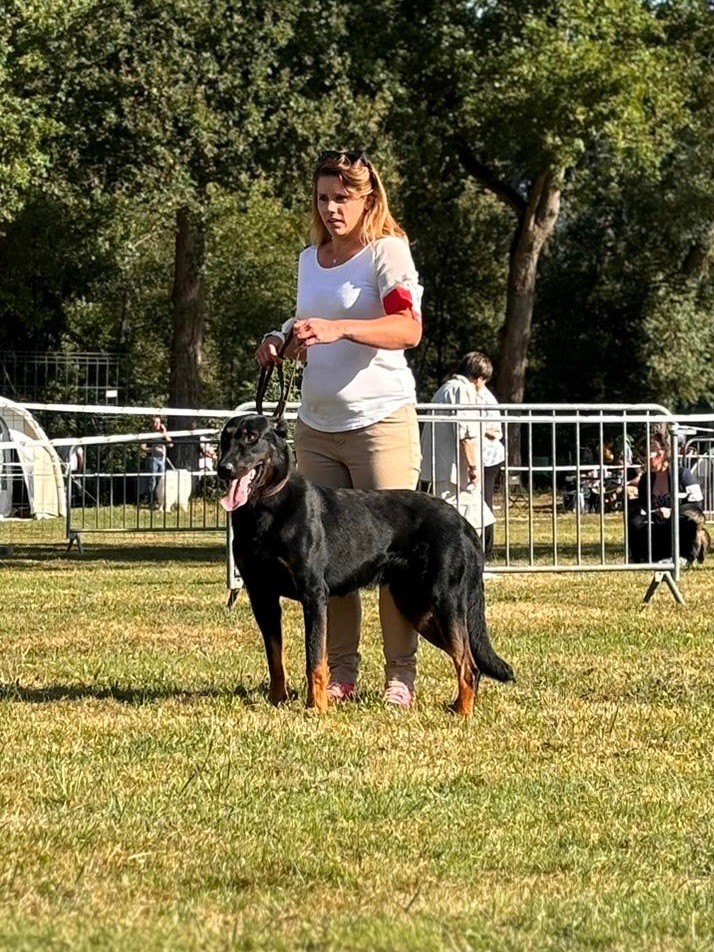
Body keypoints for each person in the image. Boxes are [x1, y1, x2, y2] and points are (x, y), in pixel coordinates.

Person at [255, 149, 423, 708]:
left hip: (379, 424)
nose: (331, 209)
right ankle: (338, 674)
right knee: (327, 561)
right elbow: (309, 316)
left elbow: (407, 328)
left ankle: (400, 675)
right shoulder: (311, 258)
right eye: (323, 198)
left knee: (391, 553)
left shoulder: (387, 252)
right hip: (315, 426)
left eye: (342, 198)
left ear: (367, 198)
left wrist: (339, 328)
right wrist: (281, 338)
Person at [419, 352, 496, 547]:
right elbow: (466, 432)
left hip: (441, 466)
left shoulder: (445, 389)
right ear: (479, 377)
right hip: (453, 470)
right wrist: (473, 467)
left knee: (460, 515)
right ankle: (467, 563)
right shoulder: (463, 390)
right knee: (465, 518)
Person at [628, 432, 704, 564]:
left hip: (679, 525)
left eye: (647, 456)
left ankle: (683, 557)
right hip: (656, 524)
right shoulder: (646, 479)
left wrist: (672, 512)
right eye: (641, 457)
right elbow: (642, 505)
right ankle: (640, 557)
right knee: (635, 519)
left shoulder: (684, 475)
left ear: (661, 452)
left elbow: (697, 507)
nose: (644, 461)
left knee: (684, 520)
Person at [141, 415, 173, 509]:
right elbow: (142, 447)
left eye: (158, 422)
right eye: (155, 422)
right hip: (152, 459)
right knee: (152, 481)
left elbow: (170, 444)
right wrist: (152, 449)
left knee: (161, 481)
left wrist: (165, 433)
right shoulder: (148, 434)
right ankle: (151, 502)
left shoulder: (162, 434)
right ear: (151, 423)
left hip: (161, 459)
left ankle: (161, 502)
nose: (157, 424)